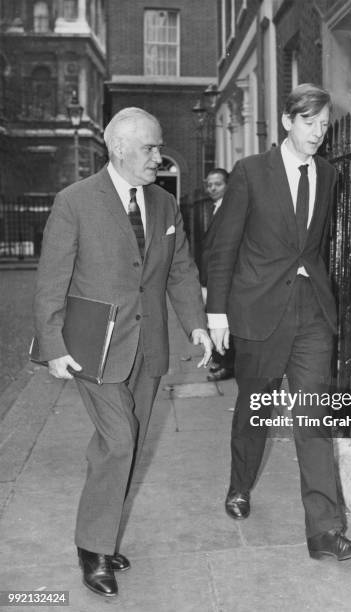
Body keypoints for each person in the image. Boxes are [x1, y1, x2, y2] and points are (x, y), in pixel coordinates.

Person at [33, 107, 212, 597]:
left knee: (125, 443)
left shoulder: (165, 205)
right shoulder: (75, 202)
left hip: (149, 346)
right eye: (150, 148)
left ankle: (104, 532)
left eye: (158, 147)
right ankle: (92, 548)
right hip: (96, 347)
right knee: (118, 441)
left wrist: (196, 327)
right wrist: (52, 345)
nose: (159, 157)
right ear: (118, 148)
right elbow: (52, 280)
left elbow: (180, 271)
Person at [206, 83, 351, 561]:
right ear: (286, 121)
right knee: (254, 410)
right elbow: (223, 248)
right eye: (308, 122)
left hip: (312, 310)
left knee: (313, 416)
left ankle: (324, 533)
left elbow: (313, 246)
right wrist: (217, 310)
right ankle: (240, 484)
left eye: (324, 124)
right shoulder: (251, 173)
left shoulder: (330, 174)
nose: (318, 133)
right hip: (260, 310)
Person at [199, 168, 235, 382]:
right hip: (212, 277)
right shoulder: (215, 208)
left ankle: (228, 365)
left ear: (228, 185)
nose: (212, 188)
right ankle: (222, 361)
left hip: (224, 279)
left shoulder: (229, 211)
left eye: (218, 184)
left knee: (225, 320)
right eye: (209, 185)